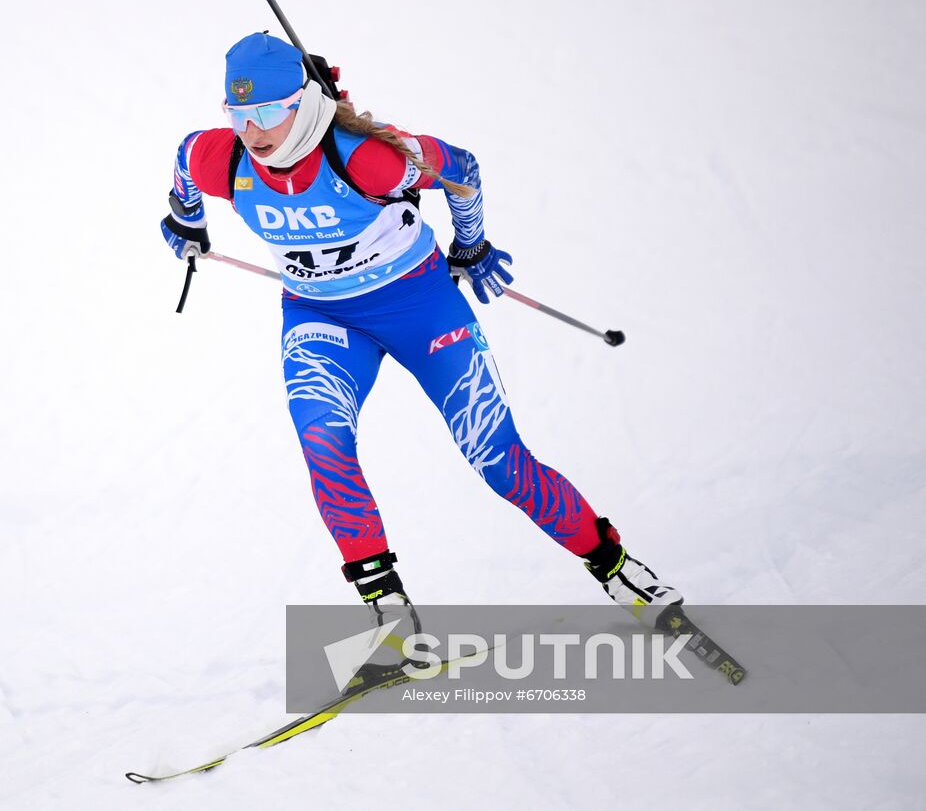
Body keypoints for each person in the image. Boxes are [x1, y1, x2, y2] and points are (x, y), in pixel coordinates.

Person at [161, 32, 681, 632]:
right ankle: (392, 618)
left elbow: (461, 169)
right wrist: (185, 220)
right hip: (320, 315)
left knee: (496, 458)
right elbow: (183, 162)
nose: (255, 131)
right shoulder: (221, 158)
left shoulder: (364, 157)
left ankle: (615, 566)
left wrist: (472, 243)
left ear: (303, 102)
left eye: (270, 111)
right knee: (324, 444)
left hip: (420, 307)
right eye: (240, 114)